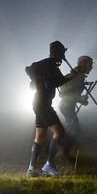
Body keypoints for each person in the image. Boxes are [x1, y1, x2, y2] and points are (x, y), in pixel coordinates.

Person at [25, 41, 81, 177]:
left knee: (40, 137)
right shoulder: (50, 65)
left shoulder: (44, 64)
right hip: (43, 104)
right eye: (62, 55)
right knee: (60, 133)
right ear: (57, 53)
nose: (63, 58)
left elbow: (29, 69)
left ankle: (31, 169)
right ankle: (49, 165)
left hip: (39, 102)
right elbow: (55, 82)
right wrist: (73, 75)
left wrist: (71, 75)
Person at [58, 55, 94, 162]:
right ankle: (64, 153)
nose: (91, 67)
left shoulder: (80, 76)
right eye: (90, 65)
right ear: (84, 64)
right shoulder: (75, 75)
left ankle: (64, 151)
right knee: (75, 129)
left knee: (72, 129)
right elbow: (63, 93)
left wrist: (81, 100)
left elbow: (73, 93)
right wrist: (79, 98)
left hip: (69, 106)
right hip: (66, 106)